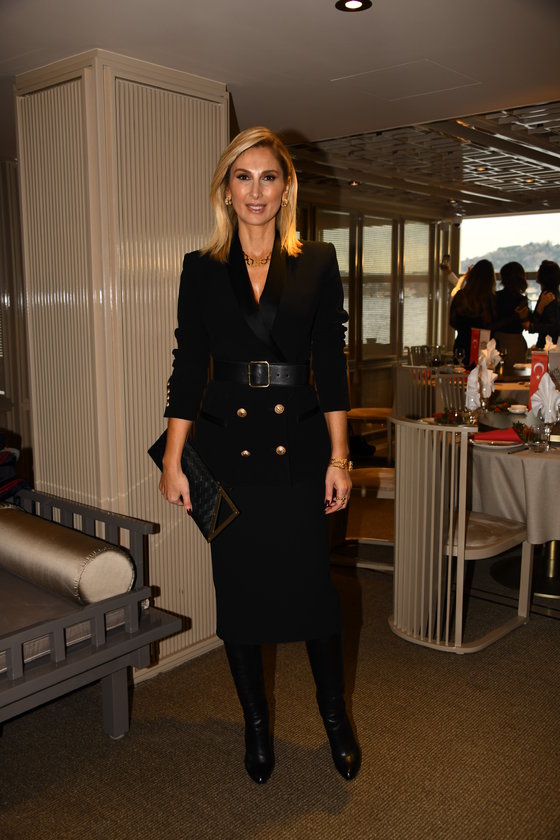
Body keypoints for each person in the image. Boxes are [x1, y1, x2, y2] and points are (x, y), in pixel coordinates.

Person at [159, 127, 360, 784]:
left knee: (315, 594)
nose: (255, 190)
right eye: (242, 177)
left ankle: (334, 717)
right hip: (230, 456)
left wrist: (339, 458)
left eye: (268, 176)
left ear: (286, 187)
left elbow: (329, 363)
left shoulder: (317, 261)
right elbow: (188, 366)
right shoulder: (201, 267)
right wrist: (173, 460)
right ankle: (256, 724)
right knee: (240, 597)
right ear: (226, 189)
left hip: (297, 449)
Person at [449, 259, 496, 367]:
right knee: (485, 375)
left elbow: (452, 322)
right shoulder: (492, 299)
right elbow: (494, 324)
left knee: (461, 374)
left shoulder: (461, 296)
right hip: (485, 346)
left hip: (462, 344)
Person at [491, 261, 529, 369]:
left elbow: (491, 323)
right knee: (516, 373)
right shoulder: (522, 300)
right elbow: (526, 324)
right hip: (517, 342)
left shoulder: (495, 297)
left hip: (498, 341)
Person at [517, 260, 560, 349]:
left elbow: (554, 326)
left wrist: (531, 326)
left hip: (551, 345)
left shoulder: (549, 296)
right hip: (549, 344)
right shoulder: (549, 294)